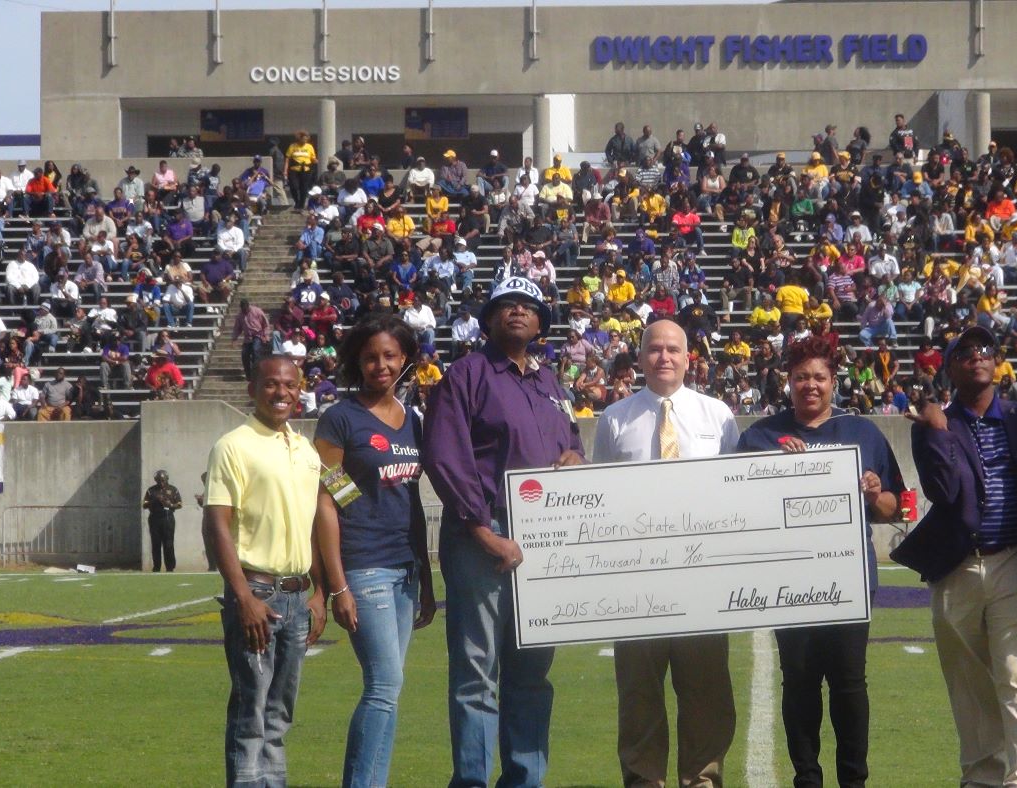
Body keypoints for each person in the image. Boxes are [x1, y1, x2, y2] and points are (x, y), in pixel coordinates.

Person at [423, 277, 585, 787]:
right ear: (489, 319)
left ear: (541, 322)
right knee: (477, 671)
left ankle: (524, 779)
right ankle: (471, 780)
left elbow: (573, 443)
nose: (517, 311)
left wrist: (576, 456)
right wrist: (480, 529)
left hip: (544, 538)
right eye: (505, 305)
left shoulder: (552, 383)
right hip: (484, 533)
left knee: (532, 672)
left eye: (528, 305)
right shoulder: (466, 374)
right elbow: (446, 456)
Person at [735, 335, 903, 788]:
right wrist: (773, 472)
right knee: (800, 683)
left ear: (834, 381)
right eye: (801, 377)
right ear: (787, 381)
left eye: (819, 377)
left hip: (848, 578)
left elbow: (896, 507)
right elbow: (734, 504)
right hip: (788, 580)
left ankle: (854, 780)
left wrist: (874, 492)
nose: (810, 385)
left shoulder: (861, 433)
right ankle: (807, 779)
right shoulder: (760, 436)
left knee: (850, 684)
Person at [895, 326, 1017, 787]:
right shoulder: (934, 423)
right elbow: (943, 491)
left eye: (984, 350)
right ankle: (982, 777)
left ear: (998, 362)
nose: (976, 357)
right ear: (950, 367)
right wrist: (939, 433)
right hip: (956, 565)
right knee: (968, 683)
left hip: (1013, 560)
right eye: (964, 352)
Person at [593, 319, 740, 788]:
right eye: (654, 349)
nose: (664, 358)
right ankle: (643, 779)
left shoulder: (718, 415)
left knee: (707, 694)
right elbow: (600, 499)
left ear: (688, 357)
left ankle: (703, 779)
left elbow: (737, 493)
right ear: (639, 358)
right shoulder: (615, 418)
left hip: (702, 581)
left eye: (673, 349)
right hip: (637, 582)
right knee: (638, 694)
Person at [311, 315, 438, 787]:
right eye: (369, 357)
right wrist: (335, 583)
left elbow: (412, 503)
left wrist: (425, 578)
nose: (380, 365)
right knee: (383, 685)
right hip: (364, 567)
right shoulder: (340, 419)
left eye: (389, 355)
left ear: (404, 359)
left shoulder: (413, 421)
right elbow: (328, 501)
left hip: (405, 568)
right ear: (356, 362)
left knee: (391, 689)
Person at [203, 355, 327, 788]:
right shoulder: (233, 445)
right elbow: (216, 521)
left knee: (279, 712)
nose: (281, 393)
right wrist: (243, 598)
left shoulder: (305, 448)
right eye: (271, 384)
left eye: (290, 385)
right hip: (257, 593)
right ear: (253, 388)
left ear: (300, 390)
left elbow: (312, 522)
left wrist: (318, 593)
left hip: (297, 595)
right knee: (251, 710)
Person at [143, 470, 183, 572]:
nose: (161, 483)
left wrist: (170, 504)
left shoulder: (173, 489)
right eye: (159, 481)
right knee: (155, 543)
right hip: (155, 518)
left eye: (163, 480)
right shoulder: (151, 490)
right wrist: (155, 500)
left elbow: (180, 504)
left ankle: (170, 567)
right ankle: (156, 567)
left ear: (166, 479)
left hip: (167, 517)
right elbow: (144, 505)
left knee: (168, 543)